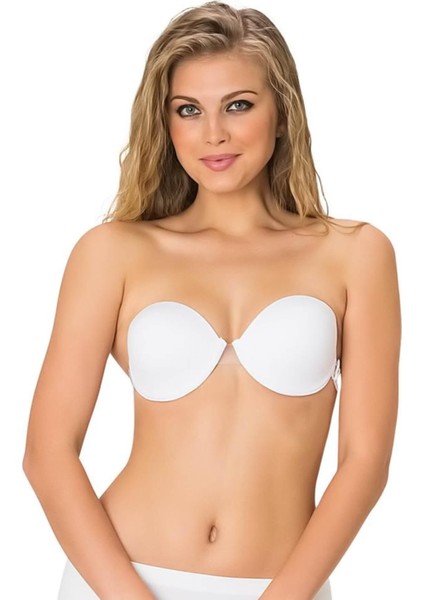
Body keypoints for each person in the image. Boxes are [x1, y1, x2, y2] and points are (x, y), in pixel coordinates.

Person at [22, 2, 401, 599]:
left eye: (239, 105)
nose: (213, 133)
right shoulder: (113, 252)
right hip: (121, 580)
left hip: (282, 587)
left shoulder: (356, 254)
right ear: (166, 122)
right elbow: (47, 454)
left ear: (282, 113)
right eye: (189, 110)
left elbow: (365, 461)